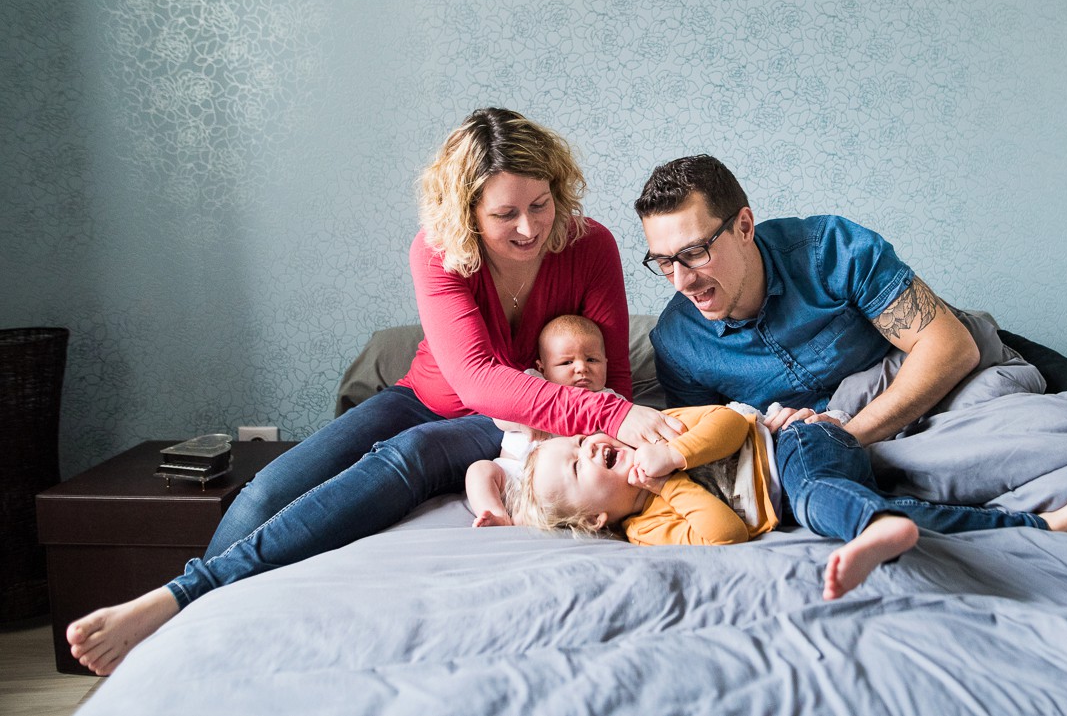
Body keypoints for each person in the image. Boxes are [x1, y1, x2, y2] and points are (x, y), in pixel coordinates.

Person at [66, 108, 684, 675]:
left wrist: (613, 420)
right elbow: (471, 378)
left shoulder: (590, 243)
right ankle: (189, 624)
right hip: (426, 394)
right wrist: (610, 411)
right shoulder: (438, 251)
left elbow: (614, 378)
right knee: (265, 493)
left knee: (408, 457)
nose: (530, 228)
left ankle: (180, 608)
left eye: (542, 205)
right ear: (467, 212)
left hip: (515, 424)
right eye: (505, 214)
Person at [514, 405, 1067, 600]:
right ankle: (1038, 522)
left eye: (580, 441)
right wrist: (665, 487)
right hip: (797, 500)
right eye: (576, 464)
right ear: (595, 519)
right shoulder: (647, 530)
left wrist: (675, 457)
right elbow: (724, 534)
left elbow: (728, 423)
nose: (591, 445)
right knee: (860, 509)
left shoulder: (657, 433)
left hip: (795, 443)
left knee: (821, 498)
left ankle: (874, 529)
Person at [635, 154, 991, 445]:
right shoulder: (677, 342)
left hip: (916, 389)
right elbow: (701, 444)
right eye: (664, 262)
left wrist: (846, 437)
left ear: (744, 227)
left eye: (695, 252)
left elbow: (952, 346)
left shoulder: (832, 249)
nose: (681, 281)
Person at [466, 314, 620, 527]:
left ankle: (530, 518)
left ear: (605, 363)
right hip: (513, 474)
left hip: (560, 486)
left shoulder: (610, 400)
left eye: (592, 359)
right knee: (479, 470)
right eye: (566, 362)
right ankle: (496, 512)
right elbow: (498, 415)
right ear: (542, 368)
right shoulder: (531, 383)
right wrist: (520, 421)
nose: (581, 368)